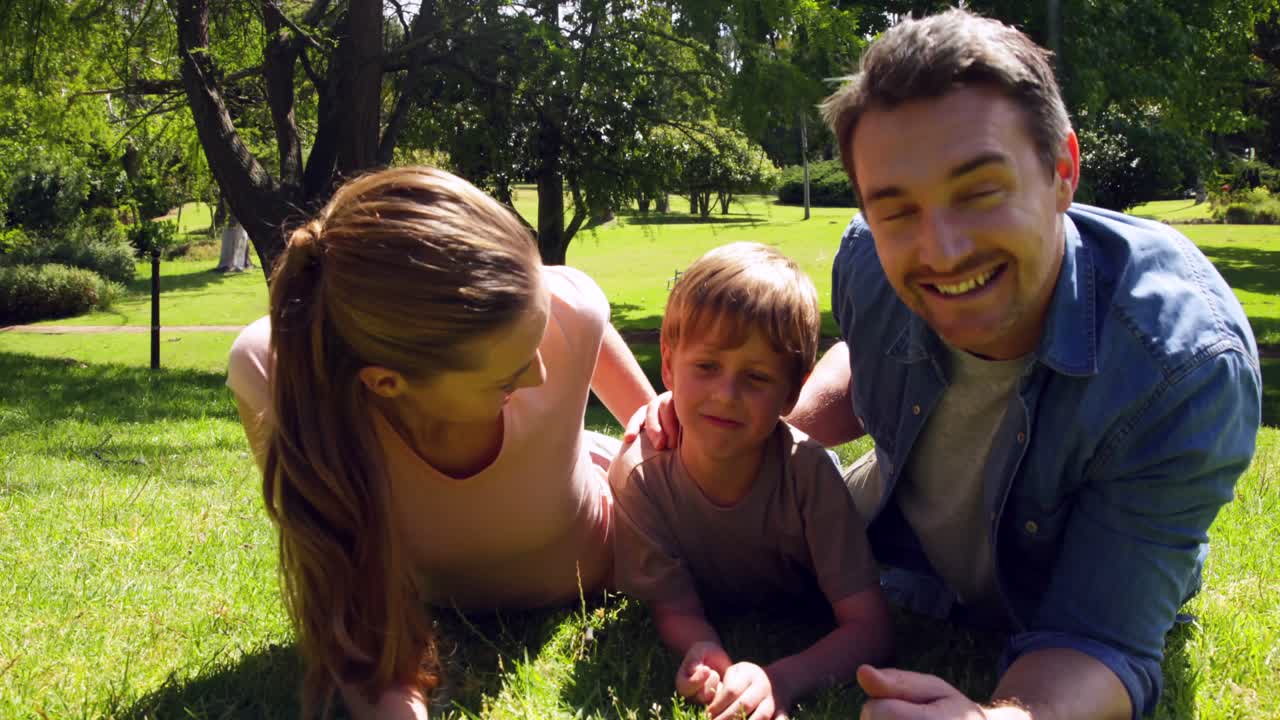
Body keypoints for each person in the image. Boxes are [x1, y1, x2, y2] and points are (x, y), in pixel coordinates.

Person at [633, 10, 1262, 720]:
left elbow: (1100, 635)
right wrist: (735, 420)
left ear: (1063, 170)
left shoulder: (1183, 368)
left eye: (979, 191)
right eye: (896, 209)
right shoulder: (867, 259)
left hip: (1043, 602)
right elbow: (863, 357)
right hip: (896, 558)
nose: (943, 250)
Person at [226, 167, 656, 719]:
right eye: (507, 375)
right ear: (385, 383)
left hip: (599, 561)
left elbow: (657, 432)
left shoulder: (569, 312)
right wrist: (393, 697)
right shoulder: (279, 374)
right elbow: (347, 588)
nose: (540, 377)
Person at [611, 243, 894, 720]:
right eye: (706, 367)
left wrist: (780, 680)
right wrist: (704, 652)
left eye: (757, 377)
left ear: (793, 392)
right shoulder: (641, 479)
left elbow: (871, 628)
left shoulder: (809, 474)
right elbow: (674, 607)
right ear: (667, 364)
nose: (726, 395)